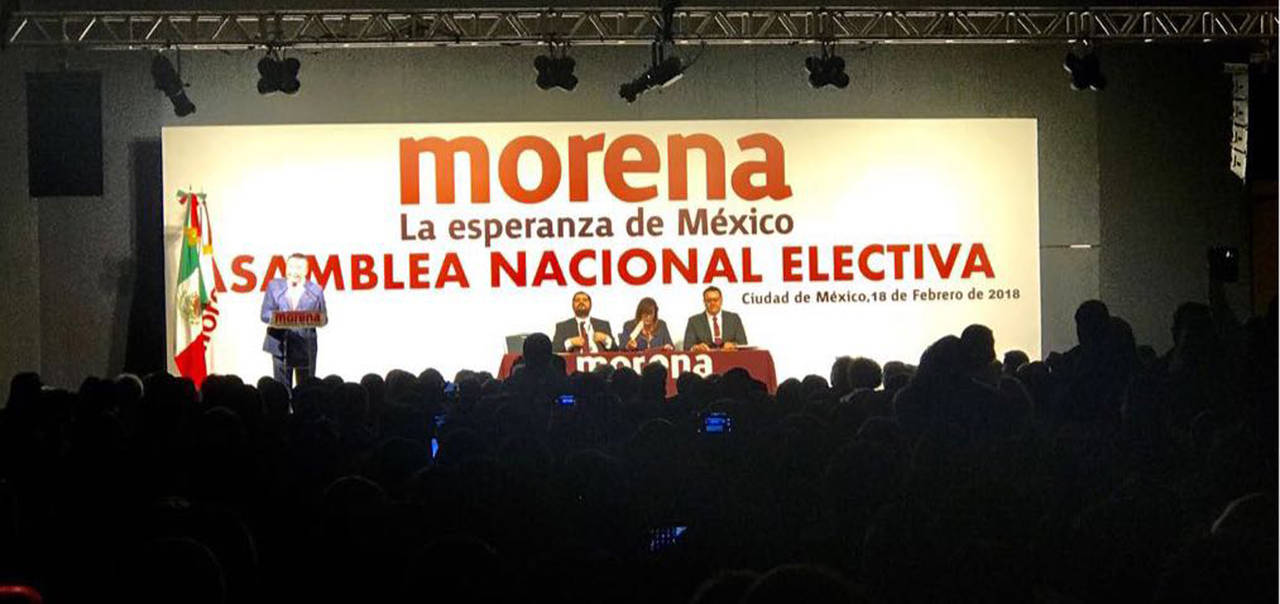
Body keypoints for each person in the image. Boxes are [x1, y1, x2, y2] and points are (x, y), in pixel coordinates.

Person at [261, 253, 327, 391]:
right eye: (290, 266)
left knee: (306, 389)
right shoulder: (274, 287)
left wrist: (304, 319)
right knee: (282, 390)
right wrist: (286, 318)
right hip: (280, 344)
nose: (294, 271)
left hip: (305, 345)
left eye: (298, 267)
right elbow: (265, 314)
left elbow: (323, 318)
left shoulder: (316, 290)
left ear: (306, 270)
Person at [683, 286, 747, 351]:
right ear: (704, 302)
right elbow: (687, 347)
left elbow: (743, 344)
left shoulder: (734, 319)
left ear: (721, 300)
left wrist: (733, 345)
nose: (712, 303)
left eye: (715, 300)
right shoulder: (694, 321)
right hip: (705, 356)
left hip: (730, 356)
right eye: (709, 300)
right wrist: (696, 348)